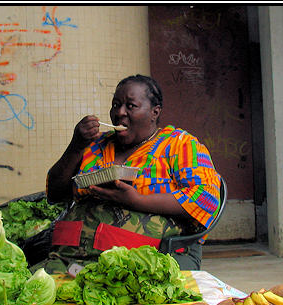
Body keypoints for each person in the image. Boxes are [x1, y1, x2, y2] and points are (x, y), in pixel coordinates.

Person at [40, 74, 222, 274]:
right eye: (116, 105)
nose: (120, 113)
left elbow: (206, 198)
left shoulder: (179, 145)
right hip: (70, 259)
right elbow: (55, 193)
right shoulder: (95, 144)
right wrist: (75, 146)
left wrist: (137, 201)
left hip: (148, 265)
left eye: (130, 106)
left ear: (155, 112)